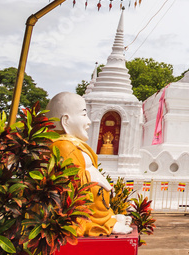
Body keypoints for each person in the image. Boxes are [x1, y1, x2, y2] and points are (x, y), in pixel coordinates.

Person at [46, 92, 132, 236]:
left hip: (95, 213)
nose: (89, 122)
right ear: (65, 121)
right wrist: (94, 178)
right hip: (80, 217)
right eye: (83, 115)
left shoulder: (74, 145)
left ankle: (105, 218)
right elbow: (72, 190)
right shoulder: (63, 147)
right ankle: (101, 222)